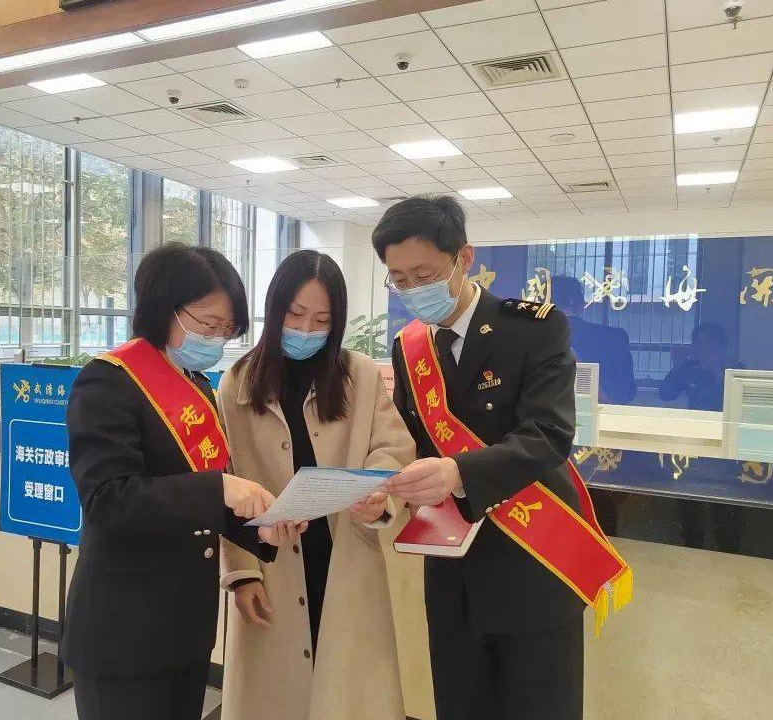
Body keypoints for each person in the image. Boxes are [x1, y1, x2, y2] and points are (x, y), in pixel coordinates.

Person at [375, 196, 629, 720]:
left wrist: (458, 471)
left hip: (532, 559)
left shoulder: (534, 327)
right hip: (452, 568)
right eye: (399, 280)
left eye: (425, 274)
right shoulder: (409, 347)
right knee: (459, 703)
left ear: (464, 258)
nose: (413, 289)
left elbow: (548, 435)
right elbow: (408, 440)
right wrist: (383, 487)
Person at [62, 243, 301, 720]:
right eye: (208, 324)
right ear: (163, 309)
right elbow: (108, 500)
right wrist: (222, 488)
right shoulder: (108, 382)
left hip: (184, 628)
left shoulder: (196, 385)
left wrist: (261, 528)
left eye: (226, 329)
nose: (216, 338)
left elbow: (198, 505)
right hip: (124, 632)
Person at [217, 250, 416, 720]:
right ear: (275, 310)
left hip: (346, 557)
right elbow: (223, 484)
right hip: (272, 564)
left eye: (322, 320)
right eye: (295, 314)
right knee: (276, 696)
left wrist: (380, 494)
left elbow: (394, 448)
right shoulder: (237, 384)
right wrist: (242, 574)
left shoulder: (359, 375)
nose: (306, 330)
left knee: (349, 694)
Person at [552, 275, 637, 405]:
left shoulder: (531, 339)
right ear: (575, 303)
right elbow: (626, 392)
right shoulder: (614, 337)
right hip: (602, 414)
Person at [659, 322, 733, 411]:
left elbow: (732, 400)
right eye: (699, 343)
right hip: (695, 417)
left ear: (720, 346)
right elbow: (666, 395)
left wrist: (716, 369)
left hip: (725, 418)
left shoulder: (734, 368)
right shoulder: (690, 368)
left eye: (708, 343)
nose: (703, 348)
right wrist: (677, 365)